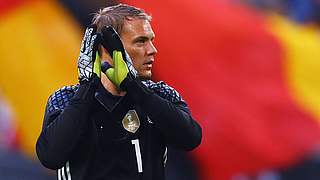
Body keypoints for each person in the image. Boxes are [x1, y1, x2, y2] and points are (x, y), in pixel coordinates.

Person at [36, 3, 202, 180]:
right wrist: (87, 87)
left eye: (151, 40)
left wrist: (133, 86)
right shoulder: (66, 99)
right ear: (108, 49)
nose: (152, 50)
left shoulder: (160, 93)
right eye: (140, 41)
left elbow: (190, 139)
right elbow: (50, 156)